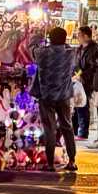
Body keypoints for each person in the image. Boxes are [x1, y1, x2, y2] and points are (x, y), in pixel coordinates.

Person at [32, 27, 78, 172]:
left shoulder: (42, 53)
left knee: (49, 129)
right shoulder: (70, 53)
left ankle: (50, 164)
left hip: (46, 96)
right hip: (64, 96)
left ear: (50, 39)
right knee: (67, 126)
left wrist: (38, 36)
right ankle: (72, 161)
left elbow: (32, 48)